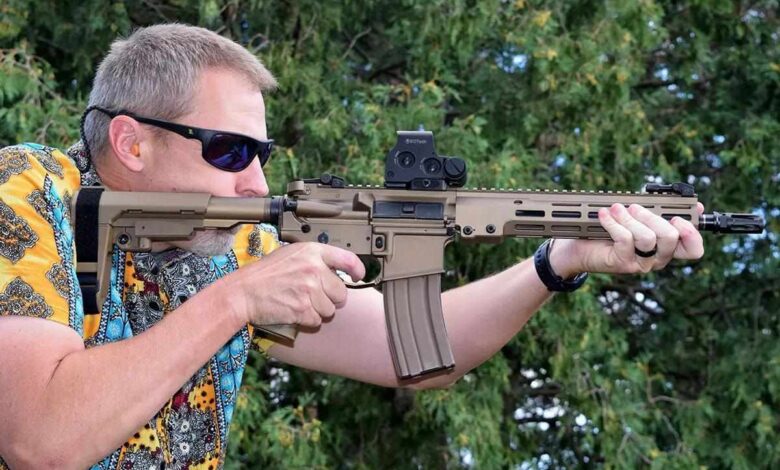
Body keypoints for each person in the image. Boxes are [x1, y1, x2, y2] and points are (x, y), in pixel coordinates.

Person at [0, 24, 704, 469]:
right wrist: (238, 299)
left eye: (261, 152)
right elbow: (41, 439)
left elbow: (411, 354)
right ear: (132, 142)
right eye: (228, 150)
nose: (256, 181)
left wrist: (560, 261)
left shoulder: (222, 245)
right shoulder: (27, 190)